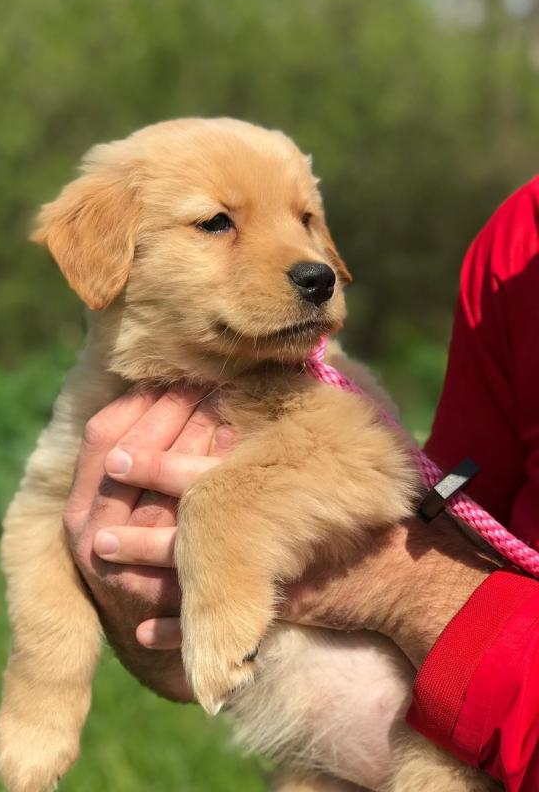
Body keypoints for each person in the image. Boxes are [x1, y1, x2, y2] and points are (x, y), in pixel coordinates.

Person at [64, 177, 539, 791]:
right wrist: (159, 626)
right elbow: (451, 518)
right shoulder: (517, 237)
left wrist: (396, 590)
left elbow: (406, 559)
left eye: (305, 221)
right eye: (216, 224)